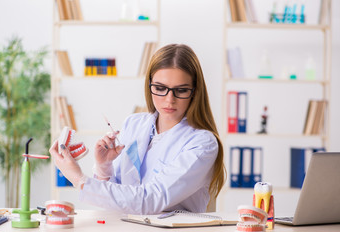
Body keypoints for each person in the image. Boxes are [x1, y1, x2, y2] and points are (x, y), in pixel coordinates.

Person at [49, 44, 226, 214]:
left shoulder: (202, 143)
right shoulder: (134, 124)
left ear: (194, 91)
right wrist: (104, 167)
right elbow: (119, 198)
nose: (169, 99)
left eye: (181, 90)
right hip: (127, 229)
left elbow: (151, 199)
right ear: (149, 86)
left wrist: (79, 179)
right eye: (160, 88)